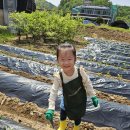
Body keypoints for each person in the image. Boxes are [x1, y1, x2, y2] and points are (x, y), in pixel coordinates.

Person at [45, 43, 98, 130]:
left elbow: (88, 83)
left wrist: (93, 96)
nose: (66, 63)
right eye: (62, 59)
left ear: (75, 59)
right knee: (63, 113)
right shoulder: (59, 76)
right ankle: (62, 126)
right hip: (67, 100)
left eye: (69, 59)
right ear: (57, 60)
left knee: (78, 116)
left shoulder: (80, 72)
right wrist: (51, 108)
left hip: (79, 101)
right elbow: (53, 92)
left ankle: (76, 127)